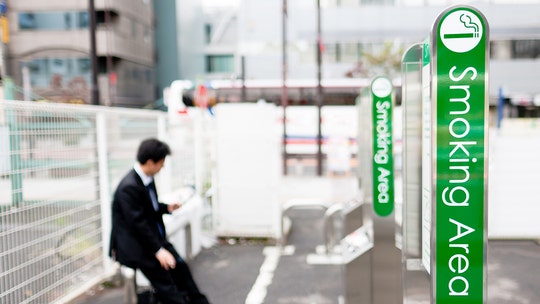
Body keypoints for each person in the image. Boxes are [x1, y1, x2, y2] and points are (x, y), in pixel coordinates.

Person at [109, 138, 210, 304]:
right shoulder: (128, 187)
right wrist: (158, 250)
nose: (162, 167)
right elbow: (137, 223)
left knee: (181, 268)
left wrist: (166, 208)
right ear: (150, 162)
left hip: (152, 240)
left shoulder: (145, 178)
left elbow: (148, 208)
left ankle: (198, 300)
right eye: (161, 162)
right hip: (138, 246)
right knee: (166, 284)